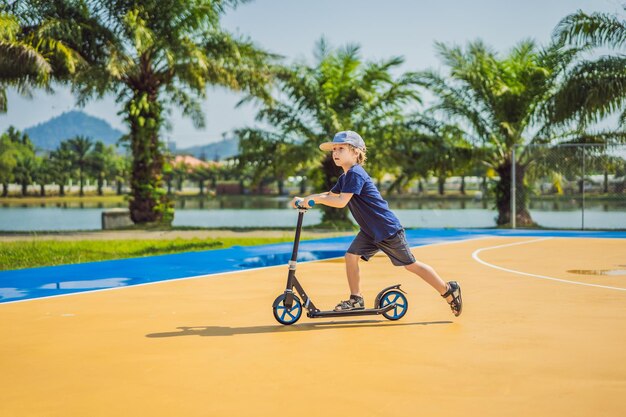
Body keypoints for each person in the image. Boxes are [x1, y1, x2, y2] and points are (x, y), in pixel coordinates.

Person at [290, 131, 462, 316]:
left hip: (387, 229)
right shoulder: (345, 177)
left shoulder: (356, 173)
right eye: (334, 149)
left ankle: (448, 290)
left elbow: (340, 201)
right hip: (369, 232)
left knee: (411, 265)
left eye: (341, 148)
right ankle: (356, 299)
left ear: (356, 152)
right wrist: (305, 199)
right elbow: (331, 195)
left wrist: (314, 199)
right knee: (350, 256)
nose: (335, 152)